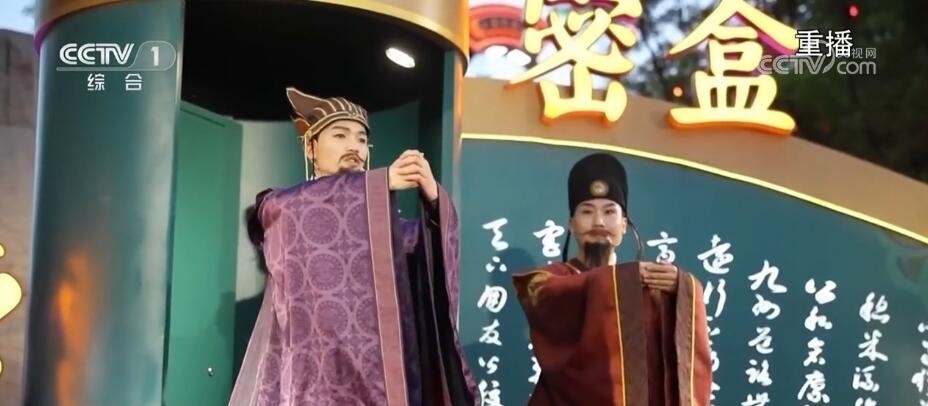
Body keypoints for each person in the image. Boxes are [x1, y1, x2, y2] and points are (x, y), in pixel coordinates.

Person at [229, 87, 477, 406]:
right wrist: (378, 183)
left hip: (382, 382)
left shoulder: (390, 229)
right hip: (314, 381)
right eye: (340, 135)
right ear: (311, 148)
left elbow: (427, 261)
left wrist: (433, 202)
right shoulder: (282, 207)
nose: (354, 147)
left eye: (361, 139)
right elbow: (288, 213)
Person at [512, 152, 712, 406]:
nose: (598, 222)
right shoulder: (554, 280)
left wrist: (681, 292)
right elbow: (540, 290)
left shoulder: (647, 286)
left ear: (624, 225)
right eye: (587, 212)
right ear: (572, 223)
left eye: (609, 212)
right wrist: (618, 283)